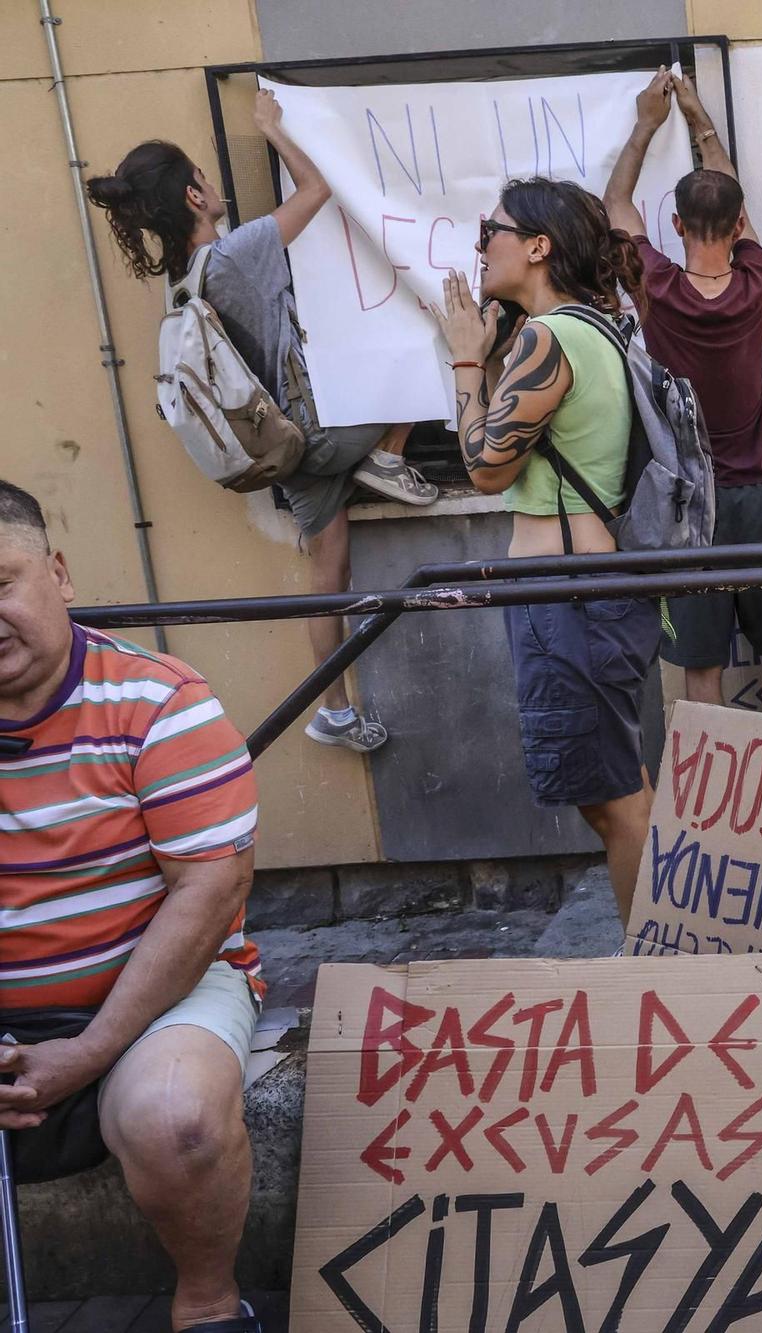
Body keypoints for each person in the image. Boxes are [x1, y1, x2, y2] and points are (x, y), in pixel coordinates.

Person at [84, 91, 435, 756]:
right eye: (204, 179)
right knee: (426, 350)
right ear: (193, 195)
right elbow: (318, 188)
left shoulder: (182, 282)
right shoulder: (240, 251)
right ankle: (386, 452)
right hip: (315, 433)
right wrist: (273, 128)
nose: (213, 187)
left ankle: (331, 709)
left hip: (275, 449)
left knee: (328, 571)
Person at [0, 481, 265, 1332]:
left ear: (59, 572)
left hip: (159, 998)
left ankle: (210, 1304)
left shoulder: (159, 701)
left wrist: (91, 1047)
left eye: (0, 584)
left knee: (176, 1118)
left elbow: (211, 888)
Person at [431, 178, 657, 924]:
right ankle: (663, 956)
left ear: (537, 245)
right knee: (618, 787)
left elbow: (486, 464)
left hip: (567, 594)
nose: (478, 246)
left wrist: (466, 359)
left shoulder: (551, 336)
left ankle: (656, 968)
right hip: (585, 586)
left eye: (489, 230)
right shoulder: (589, 329)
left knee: (614, 800)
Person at [605, 69, 762, 702]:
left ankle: (705, 800)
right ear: (736, 230)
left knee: (701, 670)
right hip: (756, 498)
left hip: (688, 509)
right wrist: (700, 119)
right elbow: (733, 200)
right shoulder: (757, 281)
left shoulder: (657, 288)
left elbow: (615, 206)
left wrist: (646, 125)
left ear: (674, 226)